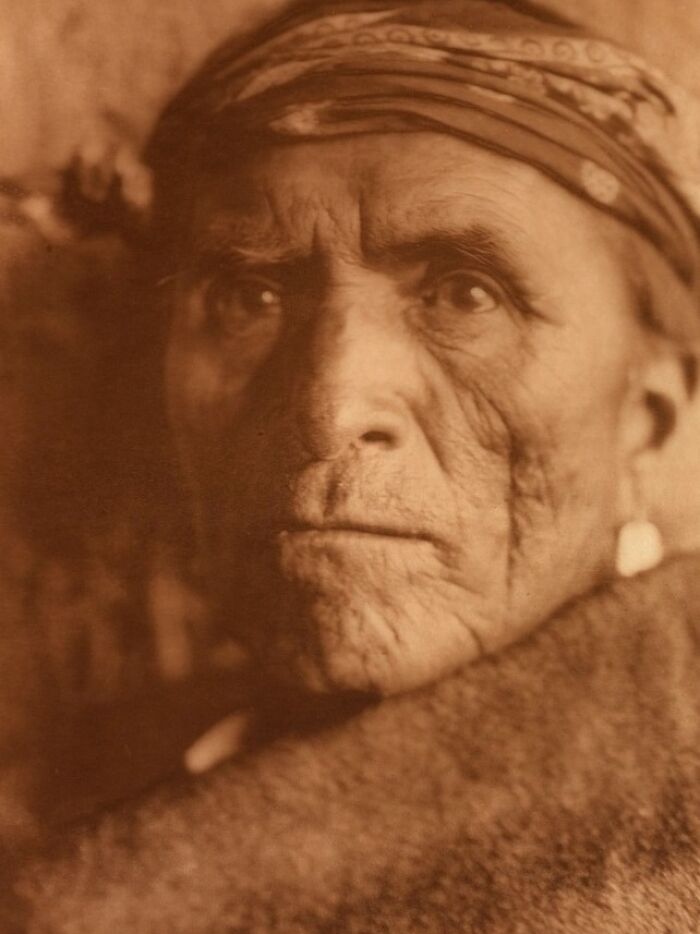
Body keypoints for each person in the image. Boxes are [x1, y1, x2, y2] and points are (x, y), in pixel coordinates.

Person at [9, 0, 700, 930]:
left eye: (467, 295)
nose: (326, 410)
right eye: (250, 295)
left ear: (647, 419)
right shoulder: (71, 796)